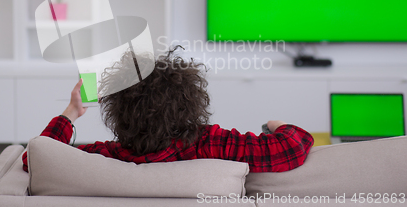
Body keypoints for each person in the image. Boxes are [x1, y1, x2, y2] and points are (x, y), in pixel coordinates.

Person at [22, 47, 314, 172]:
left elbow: (35, 159)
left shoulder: (104, 157)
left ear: (118, 111)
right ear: (190, 101)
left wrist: (71, 112)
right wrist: (277, 124)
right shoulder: (213, 144)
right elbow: (292, 147)